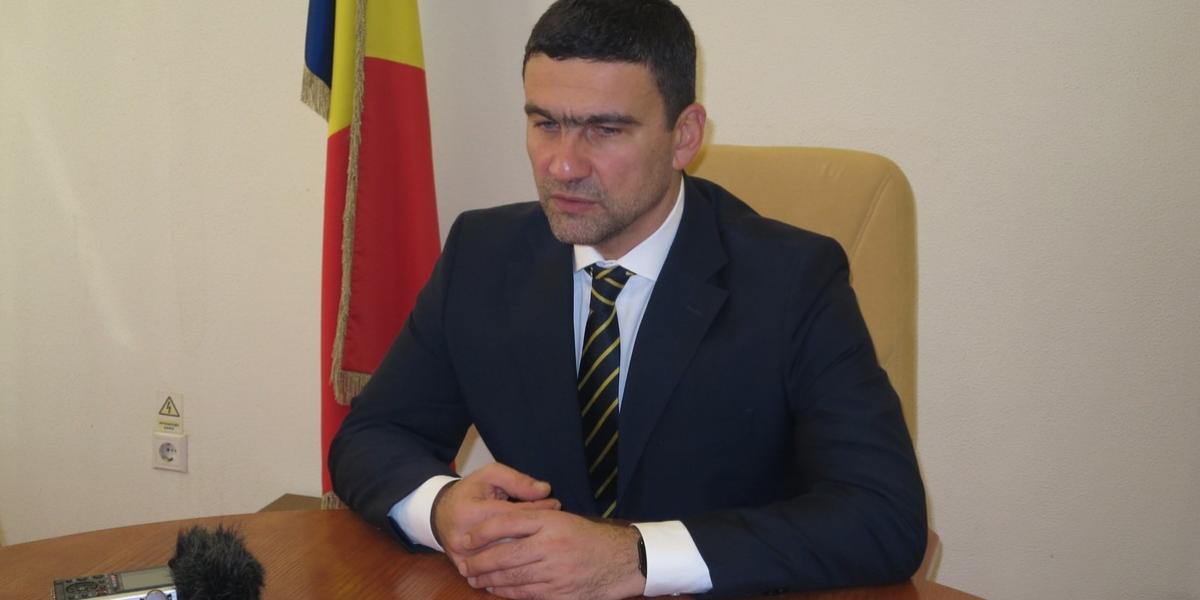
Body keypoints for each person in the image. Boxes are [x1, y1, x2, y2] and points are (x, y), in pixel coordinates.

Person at [329, 1, 926, 598]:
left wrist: (636, 557)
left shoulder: (793, 280)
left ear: (684, 136)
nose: (563, 165)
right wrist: (442, 507)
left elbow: (884, 515)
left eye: (605, 130)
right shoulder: (482, 255)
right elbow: (372, 436)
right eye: (545, 123)